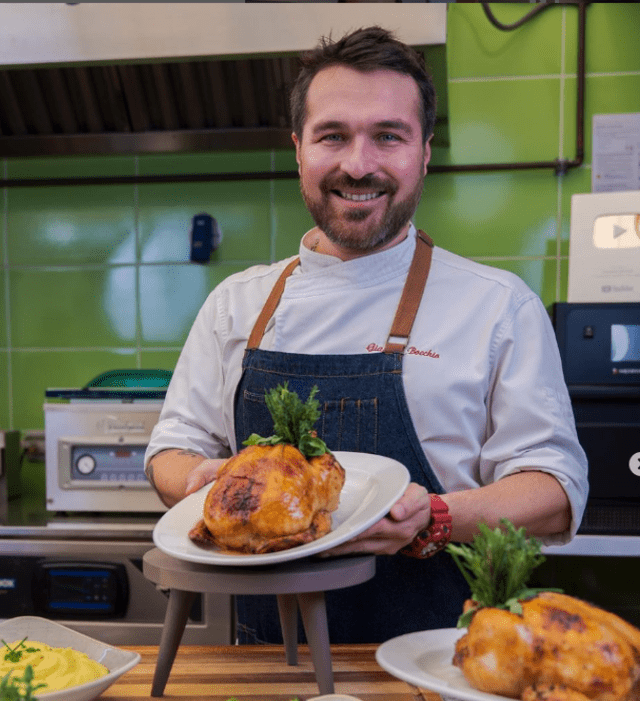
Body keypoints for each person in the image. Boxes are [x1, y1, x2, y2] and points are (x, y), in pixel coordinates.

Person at [144, 26, 588, 644]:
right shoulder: (235, 305)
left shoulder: (497, 306)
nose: (359, 164)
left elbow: (555, 490)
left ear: (424, 152)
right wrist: (194, 482)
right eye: (333, 136)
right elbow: (172, 449)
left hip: (435, 660)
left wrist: (434, 517)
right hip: (269, 665)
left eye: (388, 136)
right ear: (299, 149)